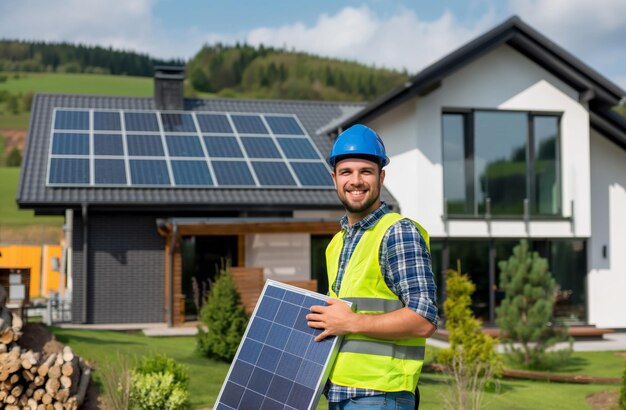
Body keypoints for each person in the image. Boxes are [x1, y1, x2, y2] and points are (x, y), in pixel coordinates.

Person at [307, 124, 438, 410]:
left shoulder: (397, 232)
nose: (356, 181)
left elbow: (424, 318)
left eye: (365, 171)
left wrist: (353, 322)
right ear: (334, 178)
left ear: (381, 176)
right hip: (340, 395)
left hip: (380, 397)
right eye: (346, 172)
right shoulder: (336, 244)